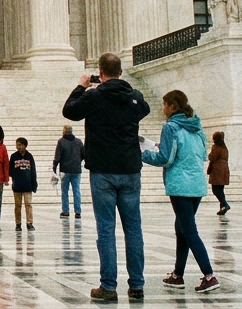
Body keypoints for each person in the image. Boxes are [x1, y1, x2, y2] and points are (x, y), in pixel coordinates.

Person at [62, 53, 151, 303]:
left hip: (103, 170)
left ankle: (108, 286)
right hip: (130, 170)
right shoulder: (134, 97)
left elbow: (69, 111)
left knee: (107, 229)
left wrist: (81, 86)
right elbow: (144, 108)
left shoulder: (94, 96)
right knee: (134, 229)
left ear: (100, 72)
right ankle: (136, 285)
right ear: (121, 72)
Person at [143, 90, 220, 294]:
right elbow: (203, 154)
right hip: (196, 184)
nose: (163, 108)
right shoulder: (196, 126)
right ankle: (178, 275)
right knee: (182, 228)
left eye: (165, 104)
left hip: (180, 184)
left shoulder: (171, 127)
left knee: (189, 231)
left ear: (172, 106)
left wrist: (142, 154)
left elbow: (165, 159)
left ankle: (209, 275)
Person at [53, 125, 85, 218]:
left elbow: (57, 156)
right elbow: (83, 154)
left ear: (64, 131)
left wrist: (54, 167)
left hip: (65, 170)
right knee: (76, 191)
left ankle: (65, 210)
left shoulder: (61, 142)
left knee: (64, 191)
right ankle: (78, 211)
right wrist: (78, 162)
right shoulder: (78, 142)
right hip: (76, 169)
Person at [10, 137, 37, 231]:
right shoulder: (13, 156)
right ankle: (18, 223)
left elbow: (33, 171)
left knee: (28, 204)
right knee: (17, 206)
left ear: (25, 146)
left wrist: (34, 184)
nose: (18, 146)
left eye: (20, 145)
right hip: (17, 185)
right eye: (17, 144)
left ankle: (29, 223)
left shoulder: (29, 156)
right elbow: (10, 170)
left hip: (27, 185)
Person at [208, 131, 230, 215]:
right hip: (224, 169)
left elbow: (212, 157)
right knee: (220, 189)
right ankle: (222, 208)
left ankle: (225, 204)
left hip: (217, 170)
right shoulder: (224, 147)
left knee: (215, 190)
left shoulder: (216, 147)